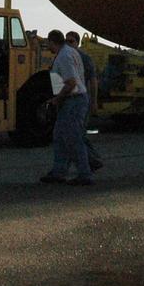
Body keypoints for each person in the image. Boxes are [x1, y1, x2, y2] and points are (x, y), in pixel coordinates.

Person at [39, 29, 94, 186]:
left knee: (73, 137)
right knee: (60, 136)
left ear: (52, 41)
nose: (47, 46)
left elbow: (71, 83)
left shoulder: (63, 56)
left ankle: (84, 173)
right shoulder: (71, 53)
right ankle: (59, 171)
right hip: (75, 99)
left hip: (73, 100)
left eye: (47, 43)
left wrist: (57, 99)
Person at [66, 31, 104, 171]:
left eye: (71, 41)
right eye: (66, 41)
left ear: (77, 43)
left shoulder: (85, 58)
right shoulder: (67, 57)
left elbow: (93, 81)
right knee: (76, 133)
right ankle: (89, 161)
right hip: (72, 99)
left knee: (78, 132)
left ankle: (92, 160)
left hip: (83, 99)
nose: (68, 44)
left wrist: (94, 101)